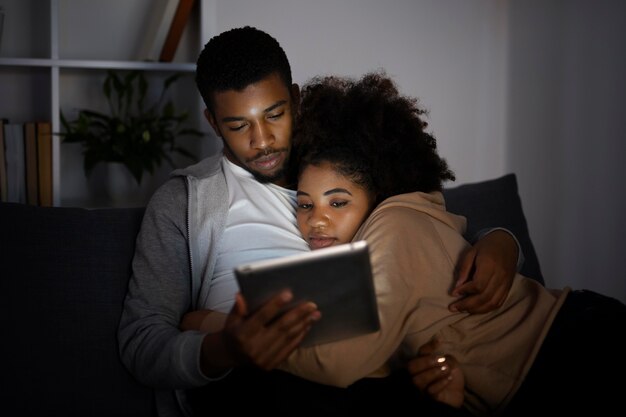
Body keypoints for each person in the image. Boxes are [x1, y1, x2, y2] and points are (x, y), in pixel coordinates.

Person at [118, 26, 524, 416]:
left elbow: (426, 232)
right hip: (257, 380)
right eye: (238, 125)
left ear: (295, 100)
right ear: (212, 122)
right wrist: (225, 346)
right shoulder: (183, 201)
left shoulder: (339, 165)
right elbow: (142, 342)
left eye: (274, 115)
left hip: (370, 364)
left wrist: (501, 241)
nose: (262, 141)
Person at [273, 71, 626, 416]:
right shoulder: (362, 255)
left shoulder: (395, 225)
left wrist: (238, 338)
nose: (316, 219)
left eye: (338, 202)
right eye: (305, 204)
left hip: (574, 347)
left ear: (377, 194)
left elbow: (340, 361)